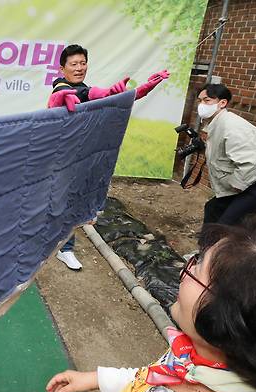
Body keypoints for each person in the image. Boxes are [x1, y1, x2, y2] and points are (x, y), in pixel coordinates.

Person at [46, 216, 256, 392]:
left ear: (227, 321)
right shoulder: (195, 356)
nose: (182, 272)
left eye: (196, 271)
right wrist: (97, 379)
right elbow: (151, 377)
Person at [48, 44, 169, 270]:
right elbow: (80, 96)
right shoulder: (61, 87)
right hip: (62, 157)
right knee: (62, 201)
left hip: (82, 156)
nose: (79, 67)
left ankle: (64, 248)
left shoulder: (83, 88)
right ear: (62, 68)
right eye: (73, 64)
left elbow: (110, 97)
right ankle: (62, 247)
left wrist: (145, 88)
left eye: (83, 63)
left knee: (72, 202)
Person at [196, 84, 256, 225]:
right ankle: (207, 246)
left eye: (207, 100)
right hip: (253, 177)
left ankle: (230, 246)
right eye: (200, 100)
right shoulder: (217, 123)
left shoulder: (231, 126)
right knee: (213, 208)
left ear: (222, 103)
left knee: (227, 222)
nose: (201, 105)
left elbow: (254, 161)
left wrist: (236, 184)